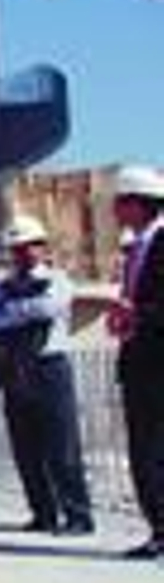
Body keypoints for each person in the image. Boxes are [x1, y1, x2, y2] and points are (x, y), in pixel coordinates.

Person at [0, 215, 95, 535]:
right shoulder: (2, 285)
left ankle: (78, 516)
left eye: (30, 246)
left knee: (62, 447)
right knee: (25, 448)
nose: (24, 253)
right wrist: (20, 310)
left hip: (49, 368)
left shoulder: (57, 280)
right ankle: (42, 513)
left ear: (43, 248)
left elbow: (49, 307)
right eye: (17, 248)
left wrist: (12, 310)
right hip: (16, 369)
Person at [106, 163, 164, 560]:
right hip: (140, 362)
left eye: (120, 202)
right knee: (144, 447)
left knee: (153, 448)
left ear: (137, 204)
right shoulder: (136, 249)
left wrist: (137, 314)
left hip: (157, 364)